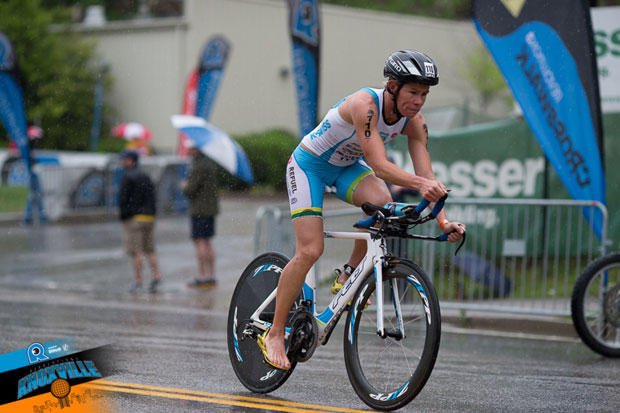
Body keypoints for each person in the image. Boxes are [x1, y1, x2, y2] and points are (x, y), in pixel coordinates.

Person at [260, 50, 466, 370]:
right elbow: (380, 166)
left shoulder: (415, 122)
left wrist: (443, 220)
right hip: (309, 166)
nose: (419, 101)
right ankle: (274, 333)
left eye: (424, 94)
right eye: (413, 92)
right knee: (311, 250)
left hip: (345, 168)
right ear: (392, 86)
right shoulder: (365, 105)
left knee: (383, 204)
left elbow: (426, 174)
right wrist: (421, 185)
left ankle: (348, 274)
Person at [118, 150, 162, 293]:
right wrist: (152, 213)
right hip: (149, 217)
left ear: (131, 160)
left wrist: (123, 217)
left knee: (136, 252)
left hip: (134, 219)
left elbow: (123, 199)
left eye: (124, 159)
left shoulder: (127, 176)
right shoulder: (146, 175)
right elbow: (153, 196)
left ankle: (137, 281)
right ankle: (156, 276)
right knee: (150, 250)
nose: (122, 162)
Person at [181, 141, 220, 288]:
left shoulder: (198, 166)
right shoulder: (210, 164)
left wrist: (184, 185)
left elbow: (190, 190)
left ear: (196, 149)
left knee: (200, 241)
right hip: (210, 209)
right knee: (208, 242)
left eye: (190, 148)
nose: (188, 151)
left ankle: (202, 275)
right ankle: (212, 275)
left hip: (199, 210)